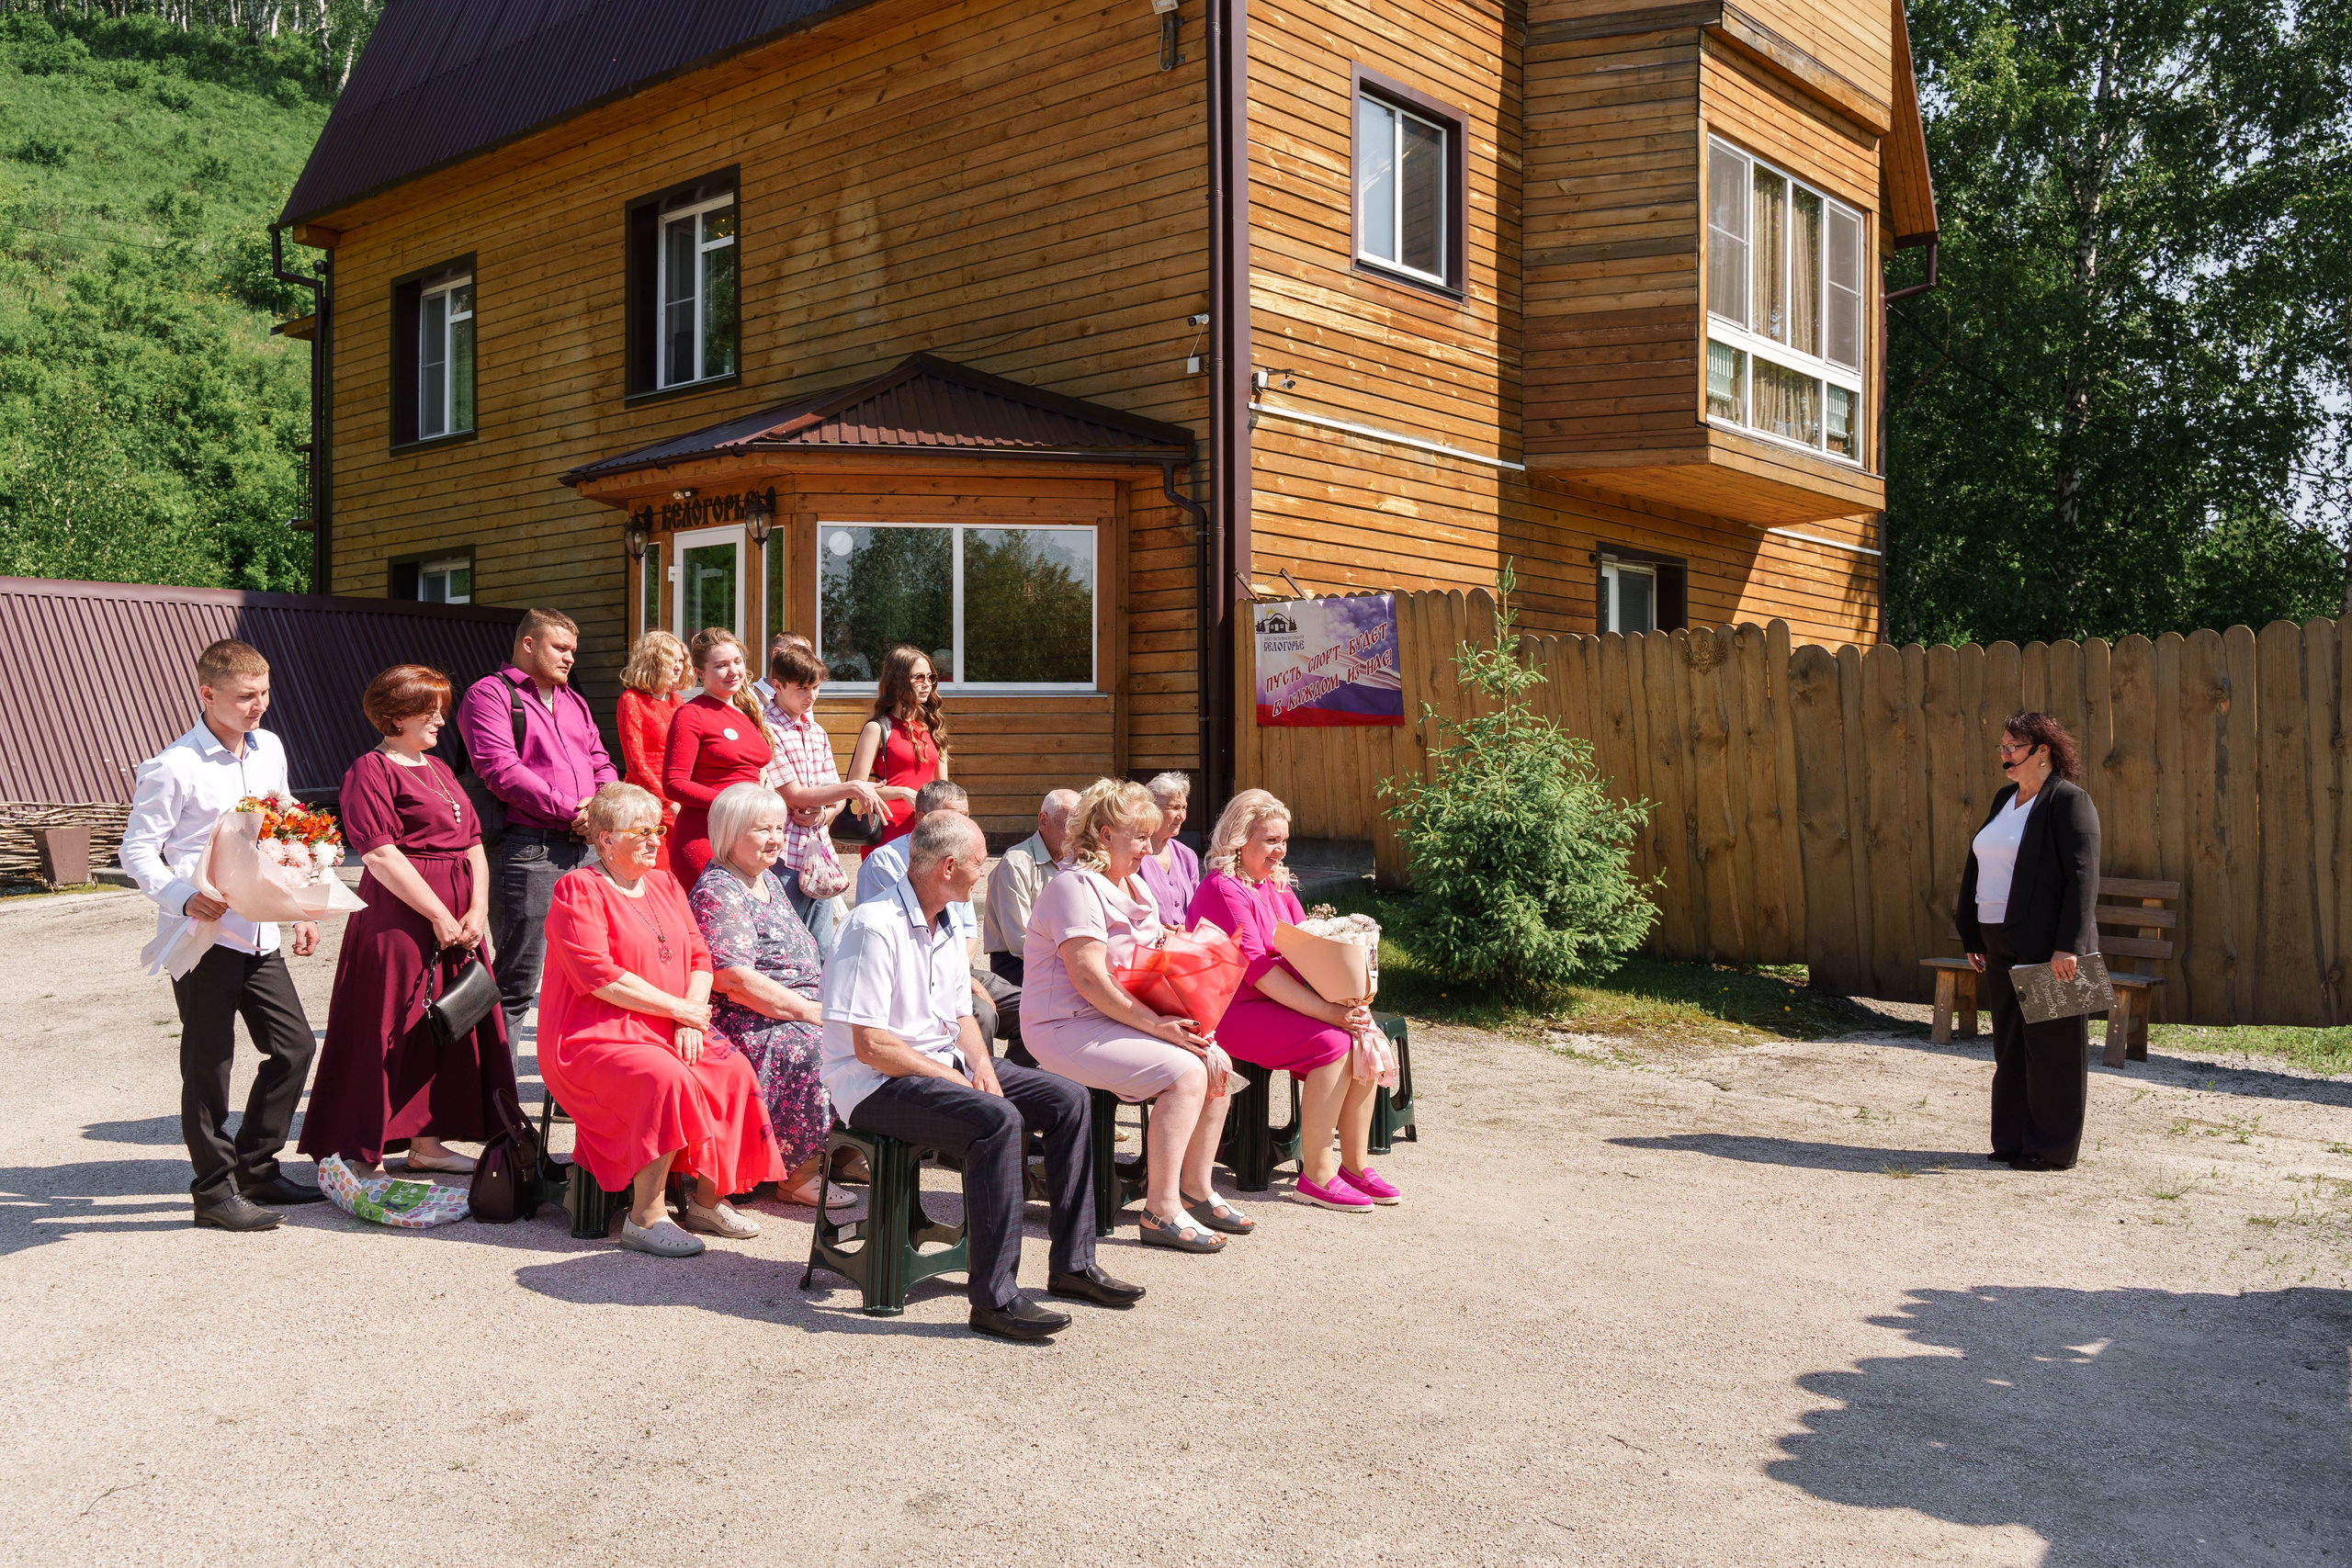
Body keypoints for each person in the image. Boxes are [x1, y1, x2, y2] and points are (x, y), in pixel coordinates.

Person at [820, 811, 1143, 1340]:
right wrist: (955, 1080)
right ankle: (995, 1299)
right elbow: (872, 1047)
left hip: (932, 1066)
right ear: (947, 866)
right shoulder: (871, 926)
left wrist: (984, 1068)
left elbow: (962, 1015)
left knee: (1068, 1099)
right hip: (872, 1084)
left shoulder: (945, 919)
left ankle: (1073, 1266)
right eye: (977, 862)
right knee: (997, 1121)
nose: (983, 871)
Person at [121, 638, 324, 1231]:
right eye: (244, 697)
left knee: (293, 1048)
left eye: (263, 693)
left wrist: (304, 906)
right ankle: (212, 1193)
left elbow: (286, 827)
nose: (258, 706)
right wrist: (184, 896)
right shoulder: (173, 765)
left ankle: (257, 1167)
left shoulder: (270, 749)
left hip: (258, 932)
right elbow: (137, 850)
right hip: (203, 936)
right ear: (207, 694)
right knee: (210, 1064)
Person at [538, 784, 785, 1255]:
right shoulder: (578, 888)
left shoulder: (666, 883)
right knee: (666, 1078)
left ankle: (708, 1202)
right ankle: (644, 1216)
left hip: (669, 1023)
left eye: (659, 829)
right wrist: (681, 1011)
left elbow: (698, 955)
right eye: (641, 832)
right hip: (594, 1034)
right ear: (606, 839)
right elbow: (600, 978)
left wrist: (691, 1020)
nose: (655, 840)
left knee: (730, 1070)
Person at [300, 666, 520, 1177]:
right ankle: (363, 1145)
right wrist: (440, 914)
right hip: (401, 917)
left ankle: (428, 1143)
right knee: (386, 1028)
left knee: (443, 1026)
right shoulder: (370, 770)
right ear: (395, 715)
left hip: (458, 918)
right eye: (430, 710)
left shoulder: (440, 769)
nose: (441, 720)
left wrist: (478, 909)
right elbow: (380, 855)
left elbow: (473, 845)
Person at [1023, 779, 1243, 1249]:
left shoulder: (1133, 884)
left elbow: (1144, 965)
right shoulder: (1074, 887)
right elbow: (1089, 980)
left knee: (1214, 1061)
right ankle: (1160, 1212)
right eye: (1140, 836)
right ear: (1104, 835)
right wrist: (1159, 1025)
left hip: (1117, 1016)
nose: (1150, 844)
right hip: (1065, 1025)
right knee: (1186, 1072)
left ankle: (1196, 1189)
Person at [1187, 788, 1399, 1213]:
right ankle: (1316, 1175)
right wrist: (1329, 1013)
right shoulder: (1224, 888)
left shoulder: (1275, 885)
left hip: (1273, 1001)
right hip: (1230, 1010)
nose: (1279, 851)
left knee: (1365, 1036)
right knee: (1335, 1042)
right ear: (1239, 838)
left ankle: (1353, 1168)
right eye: (1270, 840)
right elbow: (1257, 971)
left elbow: (1309, 949)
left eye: (1283, 840)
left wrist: (1351, 1001)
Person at [456, 607, 618, 1047]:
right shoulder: (489, 694)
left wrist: (601, 807)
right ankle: (498, 1106)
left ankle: (572, 1088)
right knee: (516, 984)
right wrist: (574, 811)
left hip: (584, 851)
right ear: (528, 644)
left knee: (585, 976)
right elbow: (500, 770)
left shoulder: (573, 700)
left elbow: (601, 761)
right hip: (528, 852)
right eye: (560, 649)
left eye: (573, 651)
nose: (569, 659)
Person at [687, 782, 851, 1210]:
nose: (776, 838)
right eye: (763, 829)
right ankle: (800, 1175)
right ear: (730, 833)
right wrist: (810, 1011)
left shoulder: (765, 880)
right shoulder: (720, 889)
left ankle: (838, 1149)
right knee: (818, 1047)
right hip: (748, 1018)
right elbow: (733, 979)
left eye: (779, 828)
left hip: (790, 1004)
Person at [1958, 711, 2103, 1172]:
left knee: (2054, 1049)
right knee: (2012, 1046)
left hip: (2047, 945)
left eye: (2012, 748)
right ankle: (2014, 1142)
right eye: (2001, 747)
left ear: (2043, 751)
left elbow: (2083, 878)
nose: (2004, 756)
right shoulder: (2005, 799)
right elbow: (1978, 864)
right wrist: (1972, 932)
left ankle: (2052, 1148)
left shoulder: (2069, 801)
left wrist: (2070, 946)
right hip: (1999, 939)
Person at [856, 780, 1012, 1045]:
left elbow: (969, 935)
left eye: (966, 816)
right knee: (980, 1014)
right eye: (954, 816)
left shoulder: (962, 859)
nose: (964, 825)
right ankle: (973, 1081)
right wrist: (966, 985)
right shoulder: (885, 863)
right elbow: (902, 946)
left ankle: (1019, 1082)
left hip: (958, 965)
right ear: (921, 818)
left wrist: (964, 977)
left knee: (1034, 1005)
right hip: (913, 975)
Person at [759, 640, 885, 960]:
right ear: (777, 685)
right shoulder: (767, 729)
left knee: (822, 949)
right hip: (783, 852)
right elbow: (794, 795)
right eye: (802, 688)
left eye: (815, 688)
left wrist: (826, 812)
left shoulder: (816, 732)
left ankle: (819, 1009)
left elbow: (832, 794)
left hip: (818, 852)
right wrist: (854, 787)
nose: (811, 696)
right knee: (786, 947)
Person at [663, 627, 775, 886]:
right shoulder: (691, 714)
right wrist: (736, 803)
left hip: (749, 838)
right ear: (699, 673)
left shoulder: (747, 712)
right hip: (706, 838)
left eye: (737, 662)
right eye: (721, 666)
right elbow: (674, 785)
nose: (734, 671)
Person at [845, 643, 947, 847]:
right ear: (897, 681)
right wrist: (902, 792)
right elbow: (854, 787)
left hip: (927, 829)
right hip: (888, 827)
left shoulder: (933, 727)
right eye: (918, 677)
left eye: (930, 677)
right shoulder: (877, 728)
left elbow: (943, 787)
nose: (927, 684)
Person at [981, 787, 1080, 990]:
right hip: (1019, 966)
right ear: (1043, 821)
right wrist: (1076, 960)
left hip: (1066, 959)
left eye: (1081, 827)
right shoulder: (1016, 862)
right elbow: (1021, 943)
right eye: (1070, 826)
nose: (1077, 835)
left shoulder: (1077, 861)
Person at [615, 629, 690, 878]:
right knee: (655, 873)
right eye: (672, 661)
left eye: (681, 660)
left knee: (680, 874)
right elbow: (636, 763)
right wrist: (669, 801)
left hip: (678, 795)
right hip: (647, 800)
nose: (679, 667)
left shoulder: (677, 701)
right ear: (654, 661)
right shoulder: (631, 700)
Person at [1135, 771, 1201, 930]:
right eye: (1174, 807)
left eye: (1184, 807)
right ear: (1153, 809)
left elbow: (1198, 909)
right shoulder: (1135, 853)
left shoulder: (1186, 856)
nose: (1182, 816)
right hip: (1149, 946)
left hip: (1186, 946)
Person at [749, 631, 815, 705]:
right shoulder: (749, 695)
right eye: (797, 653)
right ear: (776, 653)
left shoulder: (806, 696)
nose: (804, 660)